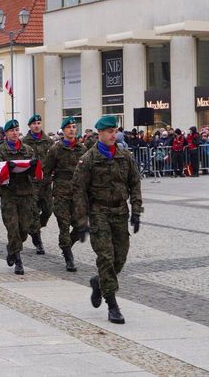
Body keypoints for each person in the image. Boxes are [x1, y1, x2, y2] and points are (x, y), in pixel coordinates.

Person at [73, 115, 143, 324]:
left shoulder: (124, 155)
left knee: (119, 259)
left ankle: (98, 282)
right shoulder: (88, 159)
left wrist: (137, 211)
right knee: (106, 258)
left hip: (120, 213)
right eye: (110, 132)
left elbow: (135, 183)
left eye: (115, 131)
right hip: (99, 214)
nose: (114, 135)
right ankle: (112, 305)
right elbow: (78, 191)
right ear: (100, 133)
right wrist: (82, 221)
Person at [42, 116, 87, 272]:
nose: (72, 129)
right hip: (61, 193)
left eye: (74, 127)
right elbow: (46, 171)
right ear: (63, 130)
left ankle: (66, 246)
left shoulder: (82, 149)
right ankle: (69, 257)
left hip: (78, 193)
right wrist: (44, 192)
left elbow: (87, 172)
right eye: (69, 127)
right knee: (64, 226)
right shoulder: (55, 149)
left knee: (81, 226)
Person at [0, 119, 38, 275]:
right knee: (13, 228)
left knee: (24, 229)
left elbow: (35, 174)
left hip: (26, 194)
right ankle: (19, 261)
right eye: (11, 130)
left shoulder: (28, 150)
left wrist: (33, 167)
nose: (15, 133)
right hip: (10, 195)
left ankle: (11, 249)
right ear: (6, 134)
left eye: (16, 130)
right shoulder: (0, 151)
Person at [21, 114, 53, 255]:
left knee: (48, 210)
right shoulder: (24, 143)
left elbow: (54, 160)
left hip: (45, 182)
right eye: (34, 124)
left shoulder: (49, 141)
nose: (37, 126)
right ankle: (38, 241)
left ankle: (34, 228)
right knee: (33, 212)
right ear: (30, 126)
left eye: (39, 123)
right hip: (31, 183)